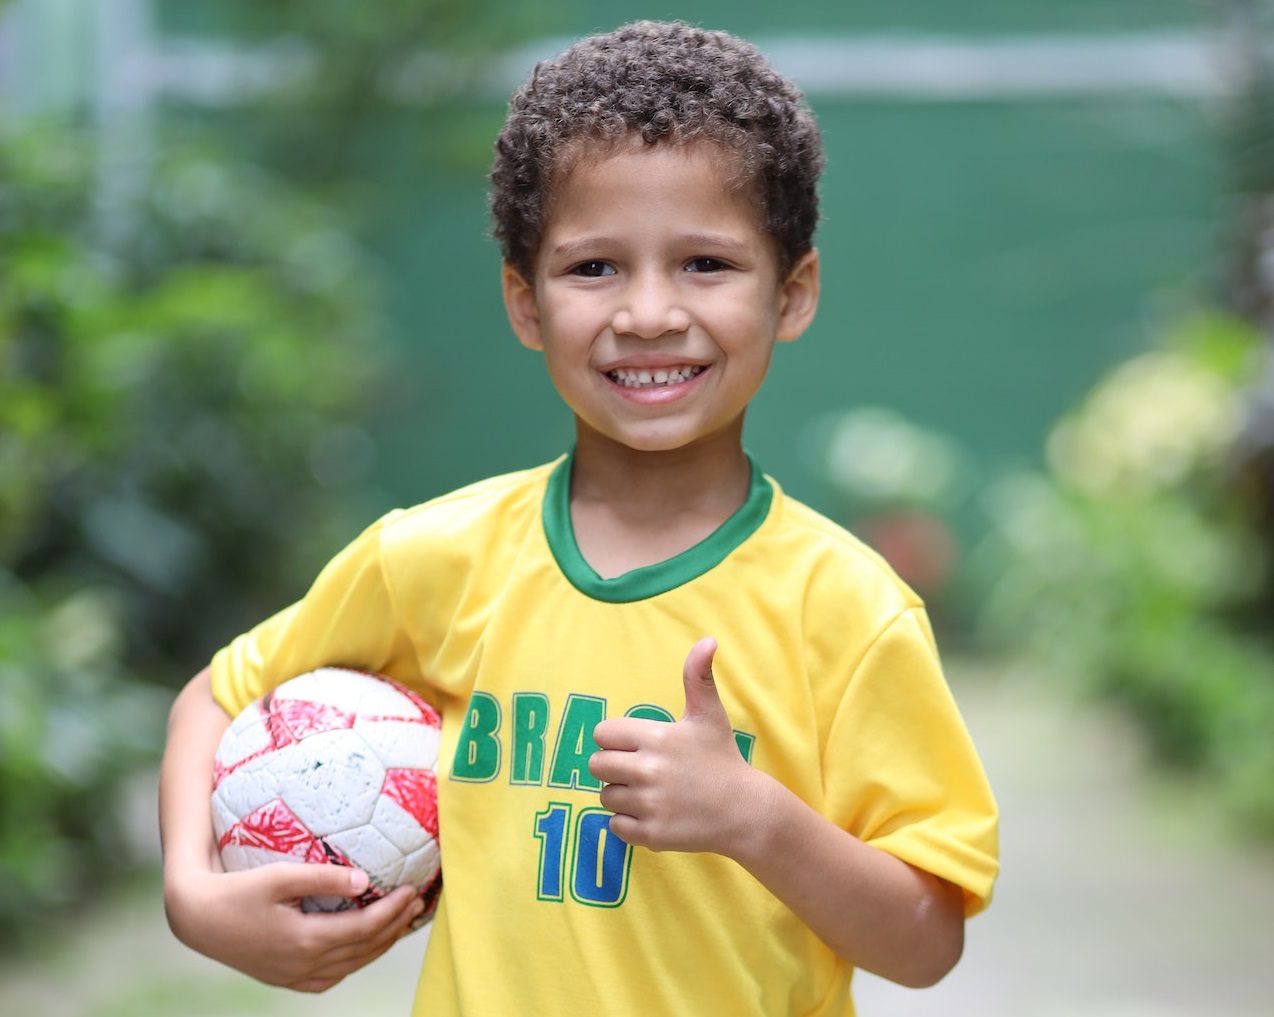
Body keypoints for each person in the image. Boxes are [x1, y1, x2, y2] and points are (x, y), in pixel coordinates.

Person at [159, 20, 998, 1016]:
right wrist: (191, 893)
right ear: (524, 302)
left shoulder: (846, 610)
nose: (647, 313)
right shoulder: (430, 559)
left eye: (704, 264)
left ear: (792, 292)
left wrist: (752, 818)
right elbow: (215, 698)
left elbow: (923, 941)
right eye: (594, 268)